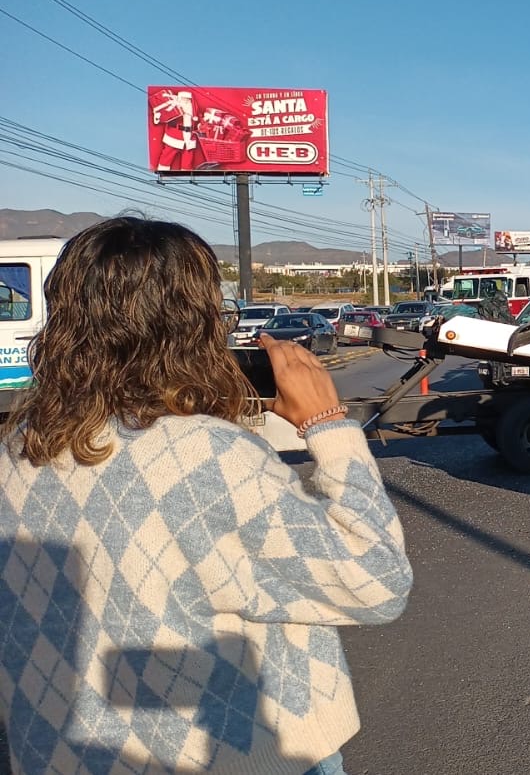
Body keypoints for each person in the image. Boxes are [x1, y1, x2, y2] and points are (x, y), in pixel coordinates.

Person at [0, 217, 413, 775]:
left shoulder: (18, 452)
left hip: (54, 750)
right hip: (232, 754)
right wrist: (328, 424)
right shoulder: (207, 455)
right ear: (193, 323)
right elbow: (375, 582)